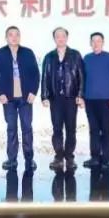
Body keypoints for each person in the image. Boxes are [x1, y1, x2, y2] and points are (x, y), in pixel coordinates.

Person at [0, 26, 40, 171]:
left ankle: (29, 159)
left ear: (20, 37)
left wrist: (33, 91)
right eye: (11, 35)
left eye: (17, 35)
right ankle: (11, 159)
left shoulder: (28, 53)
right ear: (6, 37)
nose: (14, 37)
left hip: (25, 97)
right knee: (11, 128)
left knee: (27, 128)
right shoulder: (0, 53)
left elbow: (35, 74)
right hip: (8, 98)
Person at [41, 27, 84, 170]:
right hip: (55, 99)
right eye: (57, 36)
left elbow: (81, 76)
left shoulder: (75, 55)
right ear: (54, 39)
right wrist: (44, 96)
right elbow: (45, 77)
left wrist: (80, 95)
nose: (60, 38)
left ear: (67, 37)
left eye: (63, 35)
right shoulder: (49, 56)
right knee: (57, 128)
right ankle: (58, 156)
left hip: (71, 97)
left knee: (71, 129)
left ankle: (70, 157)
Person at [82, 32, 109, 170]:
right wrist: (82, 97)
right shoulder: (87, 58)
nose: (96, 43)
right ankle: (95, 157)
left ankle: (106, 158)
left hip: (105, 100)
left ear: (103, 42)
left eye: (98, 41)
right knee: (94, 130)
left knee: (106, 130)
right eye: (93, 41)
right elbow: (82, 79)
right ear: (90, 43)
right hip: (90, 99)